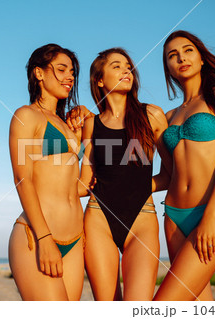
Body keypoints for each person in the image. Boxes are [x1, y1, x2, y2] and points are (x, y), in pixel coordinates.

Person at [153, 30, 215, 301]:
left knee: (163, 305)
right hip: (173, 216)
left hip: (213, 212)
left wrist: (208, 217)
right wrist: (118, 190)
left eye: (188, 50)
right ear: (168, 66)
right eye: (172, 55)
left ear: (202, 58)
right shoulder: (169, 116)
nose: (181, 57)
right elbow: (167, 175)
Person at [76, 48, 170, 300]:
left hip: (142, 218)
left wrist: (140, 185)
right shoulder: (90, 124)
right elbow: (84, 183)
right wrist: (44, 184)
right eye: (116, 66)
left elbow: (171, 173)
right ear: (99, 79)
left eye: (128, 66)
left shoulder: (152, 115)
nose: (126, 70)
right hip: (98, 218)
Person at [8, 44, 85, 301]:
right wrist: (44, 238)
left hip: (75, 239)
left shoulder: (67, 124)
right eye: (61, 69)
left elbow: (79, 187)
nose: (70, 77)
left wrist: (87, 120)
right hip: (37, 235)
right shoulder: (26, 116)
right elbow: (23, 179)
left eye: (72, 71)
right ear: (39, 73)